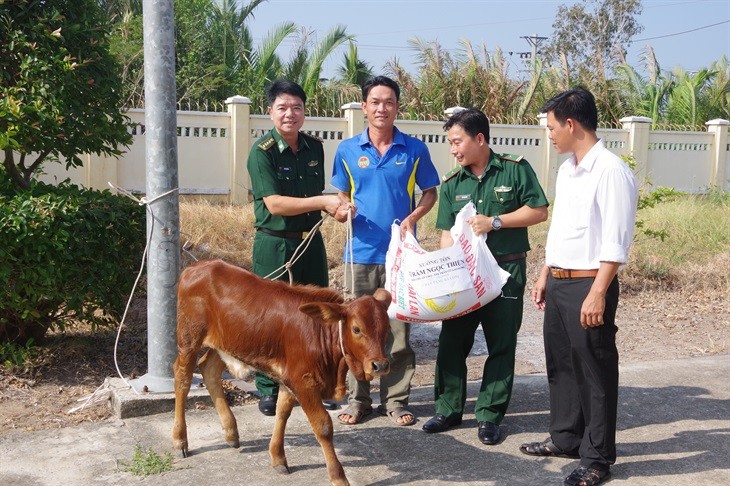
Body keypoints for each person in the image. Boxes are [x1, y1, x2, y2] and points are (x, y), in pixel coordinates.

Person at [520, 87, 638, 486]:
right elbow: (562, 230)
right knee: (562, 364)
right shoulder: (569, 169)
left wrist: (598, 292)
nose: (549, 135)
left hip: (590, 282)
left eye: (552, 127)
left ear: (571, 124)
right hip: (560, 280)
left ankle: (597, 458)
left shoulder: (610, 170)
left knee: (595, 371)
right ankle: (566, 437)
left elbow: (616, 240)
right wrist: (544, 274)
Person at [423, 108, 548, 445]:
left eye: (457, 141)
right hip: (465, 276)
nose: (453, 149)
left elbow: (538, 211)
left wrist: (496, 221)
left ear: (479, 139)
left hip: (506, 271)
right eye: (450, 143)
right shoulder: (452, 183)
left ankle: (489, 416)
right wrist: (445, 275)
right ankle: (448, 410)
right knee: (452, 343)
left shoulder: (515, 169)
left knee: (501, 345)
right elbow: (447, 234)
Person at [331, 75, 440, 426]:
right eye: (375, 101)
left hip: (399, 258)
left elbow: (430, 193)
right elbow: (341, 194)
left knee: (397, 333)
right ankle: (358, 400)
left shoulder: (414, 149)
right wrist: (343, 207)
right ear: (364, 107)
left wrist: (412, 218)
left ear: (397, 107)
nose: (382, 108)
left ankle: (395, 400)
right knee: (356, 334)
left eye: (389, 101)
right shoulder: (347, 150)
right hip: (359, 255)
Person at [247, 80, 350, 416]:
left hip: (310, 243)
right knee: (269, 318)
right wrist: (323, 201)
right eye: (282, 107)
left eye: (296, 107)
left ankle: (312, 382)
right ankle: (267, 389)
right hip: (275, 244)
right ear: (270, 112)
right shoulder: (261, 153)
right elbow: (274, 204)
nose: (290, 114)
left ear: (305, 112)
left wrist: (337, 207)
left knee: (316, 315)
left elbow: (319, 197)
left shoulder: (313, 148)